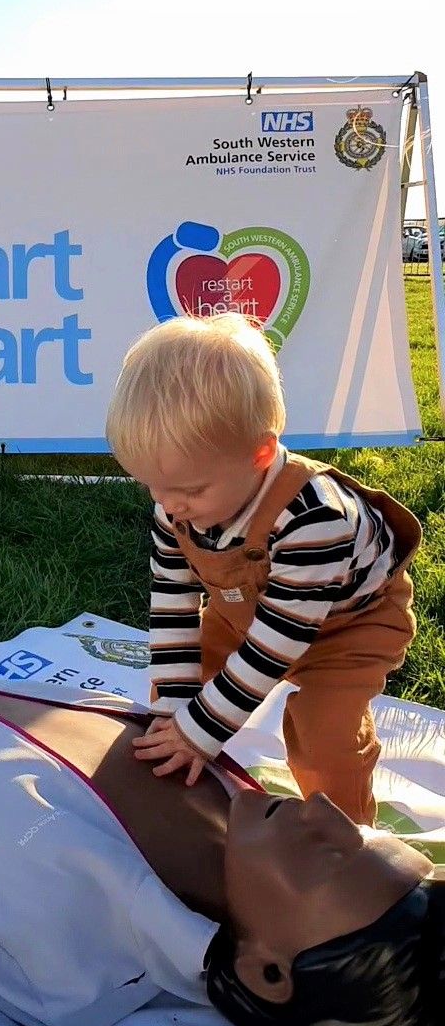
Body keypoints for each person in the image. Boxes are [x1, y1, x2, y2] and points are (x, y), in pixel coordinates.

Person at [0, 673, 445, 1026]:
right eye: (365, 834)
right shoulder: (239, 823)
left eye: (332, 856)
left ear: (266, 972)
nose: (328, 812)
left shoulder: (45, 923)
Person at [103, 311, 421, 826]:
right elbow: (173, 603)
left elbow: (279, 640)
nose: (168, 504)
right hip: (247, 612)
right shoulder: (175, 506)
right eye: (151, 486)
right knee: (178, 700)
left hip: (348, 625)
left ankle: (344, 841)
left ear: (261, 453)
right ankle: (186, 798)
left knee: (323, 738)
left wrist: (203, 727)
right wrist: (175, 714)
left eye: (189, 490)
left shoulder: (317, 520)